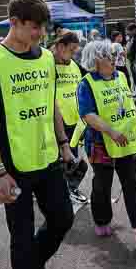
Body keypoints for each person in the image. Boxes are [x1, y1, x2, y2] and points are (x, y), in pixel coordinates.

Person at [0, 0, 75, 269]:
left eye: (43, 28)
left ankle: (33, 267)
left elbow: (52, 105)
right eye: (34, 28)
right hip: (13, 166)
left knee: (63, 219)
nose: (40, 35)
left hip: (47, 158)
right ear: (14, 22)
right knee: (21, 235)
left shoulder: (46, 58)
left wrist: (64, 145)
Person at [74, 39, 136, 242]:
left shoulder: (121, 76)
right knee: (102, 184)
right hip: (100, 142)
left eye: (113, 55)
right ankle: (102, 221)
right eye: (108, 56)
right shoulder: (86, 84)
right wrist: (110, 131)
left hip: (125, 141)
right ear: (95, 60)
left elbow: (129, 104)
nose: (113, 59)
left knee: (131, 183)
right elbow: (88, 115)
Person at [51, 30, 90, 204]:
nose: (74, 54)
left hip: (74, 120)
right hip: (54, 122)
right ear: (60, 46)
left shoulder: (73, 64)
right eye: (71, 49)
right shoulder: (47, 64)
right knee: (56, 160)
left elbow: (87, 80)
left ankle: (71, 188)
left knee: (72, 158)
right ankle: (59, 192)